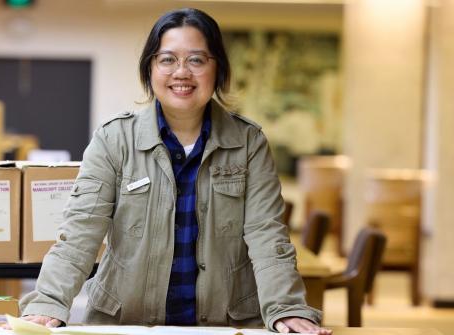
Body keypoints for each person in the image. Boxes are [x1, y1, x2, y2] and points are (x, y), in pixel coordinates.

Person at [19, 8, 332, 334]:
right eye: (167, 59)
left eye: (196, 60)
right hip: (127, 323)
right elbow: (80, 234)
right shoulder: (114, 140)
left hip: (224, 324)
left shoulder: (248, 142)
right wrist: (47, 304)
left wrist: (285, 309)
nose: (181, 72)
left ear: (218, 69)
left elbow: (267, 235)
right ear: (150, 68)